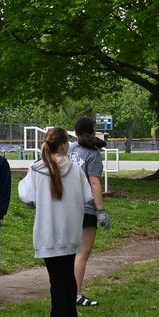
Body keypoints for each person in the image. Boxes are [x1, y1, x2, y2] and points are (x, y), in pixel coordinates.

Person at [17, 127, 93, 317]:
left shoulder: (37, 169)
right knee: (67, 278)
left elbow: (25, 195)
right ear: (63, 146)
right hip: (70, 232)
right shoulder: (75, 169)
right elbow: (87, 195)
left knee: (57, 282)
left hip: (48, 232)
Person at [70, 116, 112, 307]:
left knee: (67, 253)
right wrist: (101, 210)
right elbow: (94, 182)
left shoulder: (68, 149)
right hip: (85, 209)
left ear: (76, 132)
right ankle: (76, 294)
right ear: (93, 131)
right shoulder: (93, 154)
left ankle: (64, 292)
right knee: (82, 253)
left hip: (66, 209)